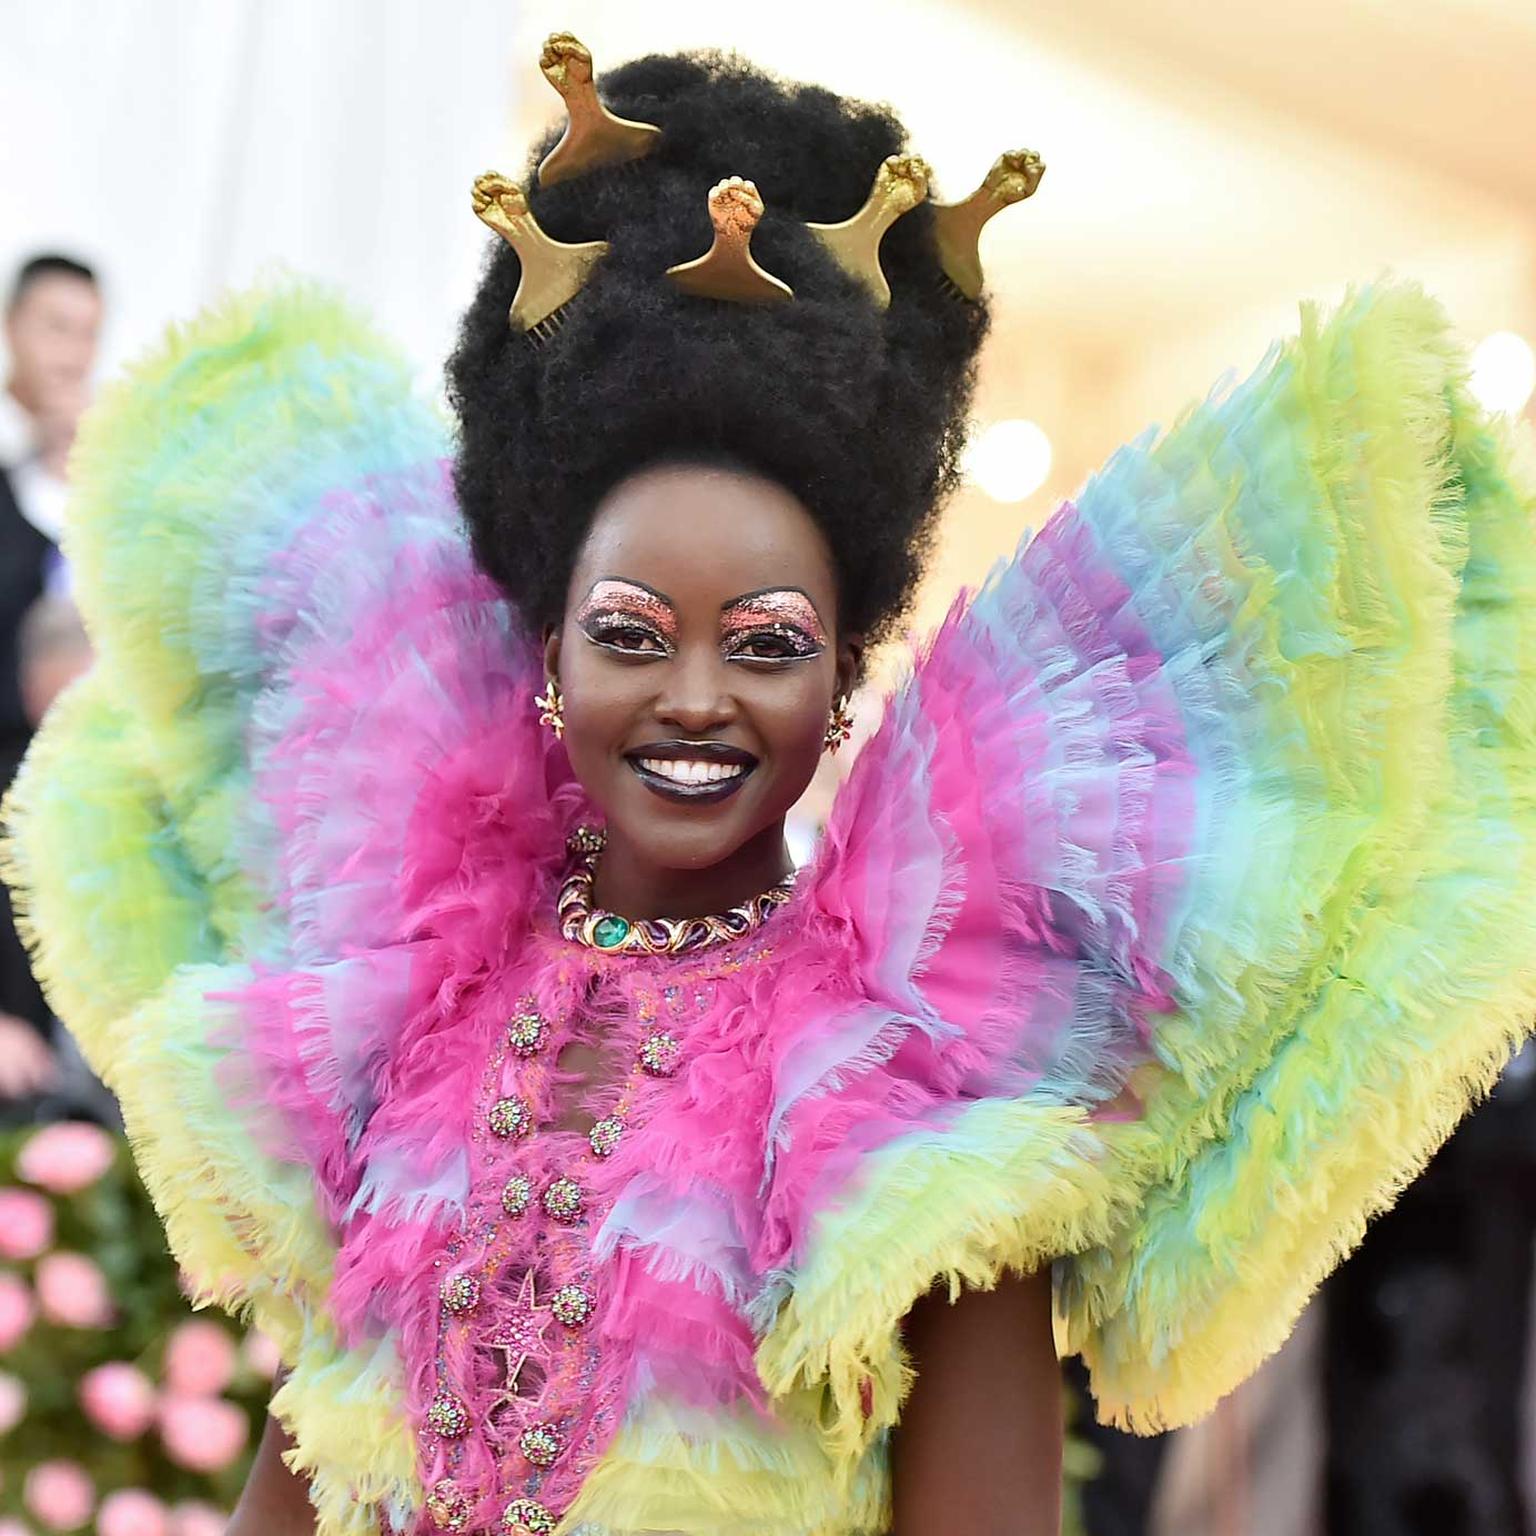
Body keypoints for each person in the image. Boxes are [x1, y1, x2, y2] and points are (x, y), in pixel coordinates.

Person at [5, 35, 1536, 1536]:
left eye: (765, 643)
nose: (693, 696)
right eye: (629, 635)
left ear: (839, 680)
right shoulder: (418, 1018)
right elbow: (314, 1452)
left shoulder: (912, 1086)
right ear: (547, 653)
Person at [0, 253, 101, 1105]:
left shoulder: (116, 520)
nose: (75, 354)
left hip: (100, 845)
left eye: (91, 334)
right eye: (56, 328)